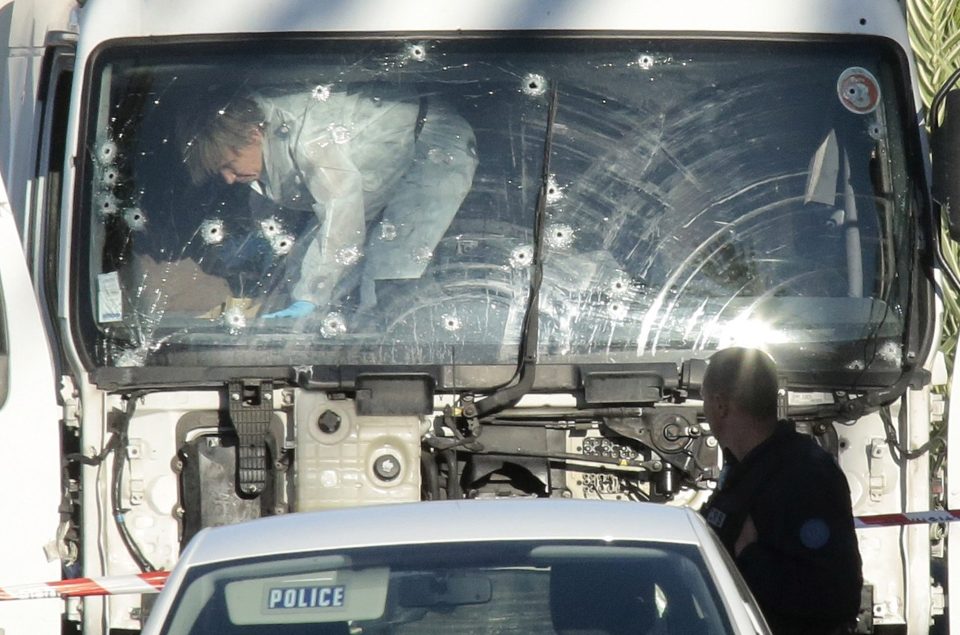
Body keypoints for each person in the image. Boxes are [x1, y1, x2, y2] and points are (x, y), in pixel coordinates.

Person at [177, 84, 478, 318]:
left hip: (433, 146)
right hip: (382, 167)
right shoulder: (264, 142)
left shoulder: (309, 138)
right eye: (220, 171)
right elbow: (279, 216)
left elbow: (341, 213)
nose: (228, 178)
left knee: (390, 273)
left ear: (254, 134)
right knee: (305, 271)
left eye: (229, 165)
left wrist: (309, 297)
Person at [699, 347, 863, 635]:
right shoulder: (744, 471)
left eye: (704, 401)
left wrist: (750, 555)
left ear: (720, 405)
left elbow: (834, 595)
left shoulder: (805, 475)